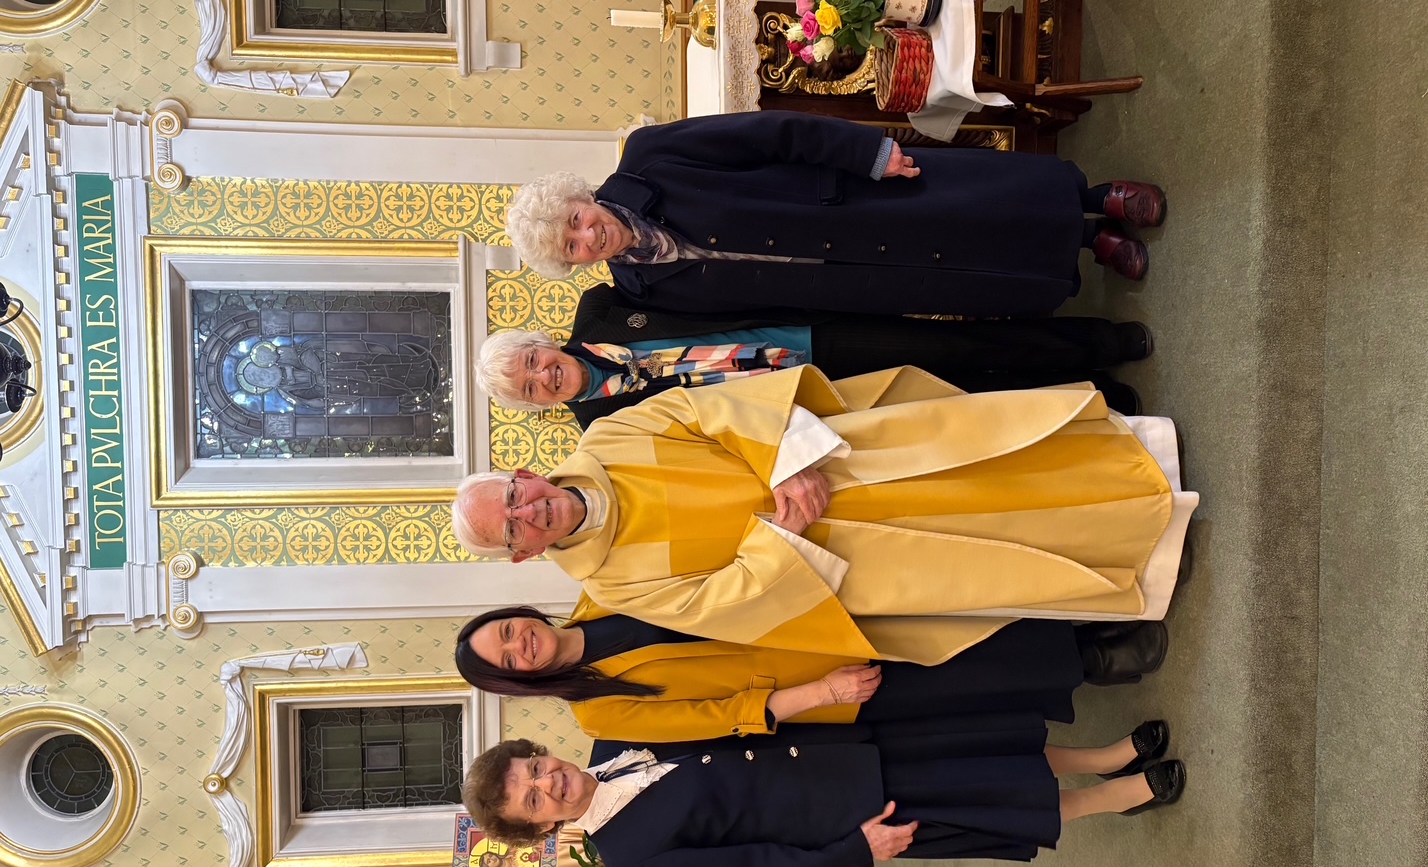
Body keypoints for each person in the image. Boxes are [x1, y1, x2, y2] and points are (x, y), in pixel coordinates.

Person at [450, 365, 1197, 662]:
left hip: (836, 465)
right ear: (523, 555)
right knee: (994, 547)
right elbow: (721, 605)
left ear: (524, 474)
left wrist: (786, 461)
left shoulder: (610, 436)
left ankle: (1147, 459)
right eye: (513, 528)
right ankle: (1147, 550)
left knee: (991, 461)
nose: (530, 512)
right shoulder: (611, 585)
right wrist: (783, 531)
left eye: (515, 497)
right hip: (839, 553)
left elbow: (714, 410)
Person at [503, 111, 1167, 321]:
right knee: (970, 270)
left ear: (581, 197)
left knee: (975, 204)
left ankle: (1092, 201)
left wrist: (866, 153)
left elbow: (769, 132)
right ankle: (1088, 247)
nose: (587, 236)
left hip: (847, 202)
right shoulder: (641, 290)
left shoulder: (650, 156)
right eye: (573, 248)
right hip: (848, 279)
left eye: (575, 220)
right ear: (576, 265)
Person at [461, 726, 1188, 867]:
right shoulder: (630, 864)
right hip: (851, 815)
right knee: (990, 804)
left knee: (983, 752)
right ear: (543, 827)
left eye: (533, 768)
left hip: (842, 749)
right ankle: (1119, 795)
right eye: (533, 799)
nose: (547, 782)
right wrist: (856, 851)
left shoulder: (614, 739)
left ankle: (1104, 754)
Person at [454, 605, 1168, 743]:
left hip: (804, 613)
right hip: (819, 681)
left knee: (949, 620)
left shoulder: (599, 593)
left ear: (518, 614)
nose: (522, 646)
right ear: (517, 680)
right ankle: (1098, 661)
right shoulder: (597, 712)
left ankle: (1084, 629)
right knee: (959, 675)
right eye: (508, 660)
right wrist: (820, 692)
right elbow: (712, 720)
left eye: (508, 631)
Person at [476, 284, 1152, 425]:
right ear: (538, 405)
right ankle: (1095, 396)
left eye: (532, 362)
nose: (543, 377)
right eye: (530, 389)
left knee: (959, 345)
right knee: (953, 399)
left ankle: (1105, 343)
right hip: (803, 404)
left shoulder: (600, 307)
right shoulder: (602, 427)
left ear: (540, 343)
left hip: (806, 337)